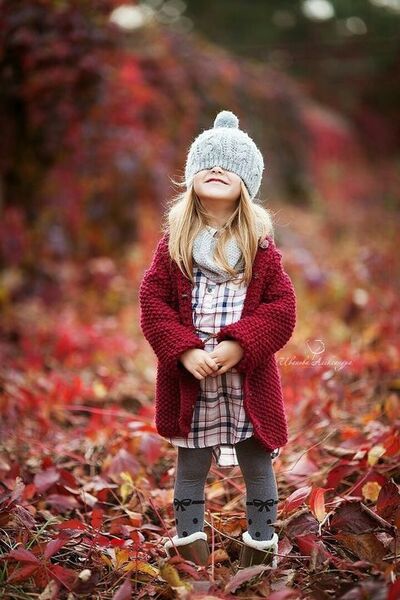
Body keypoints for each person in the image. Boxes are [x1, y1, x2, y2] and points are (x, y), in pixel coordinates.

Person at [139, 110, 297, 570]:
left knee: (256, 458)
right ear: (190, 179)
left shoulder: (260, 247)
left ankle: (260, 547)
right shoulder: (174, 246)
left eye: (229, 166)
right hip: (192, 380)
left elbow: (281, 308)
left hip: (244, 378)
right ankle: (189, 546)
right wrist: (182, 349)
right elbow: (152, 302)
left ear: (247, 184)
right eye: (208, 163)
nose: (217, 169)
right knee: (191, 464)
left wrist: (240, 345)